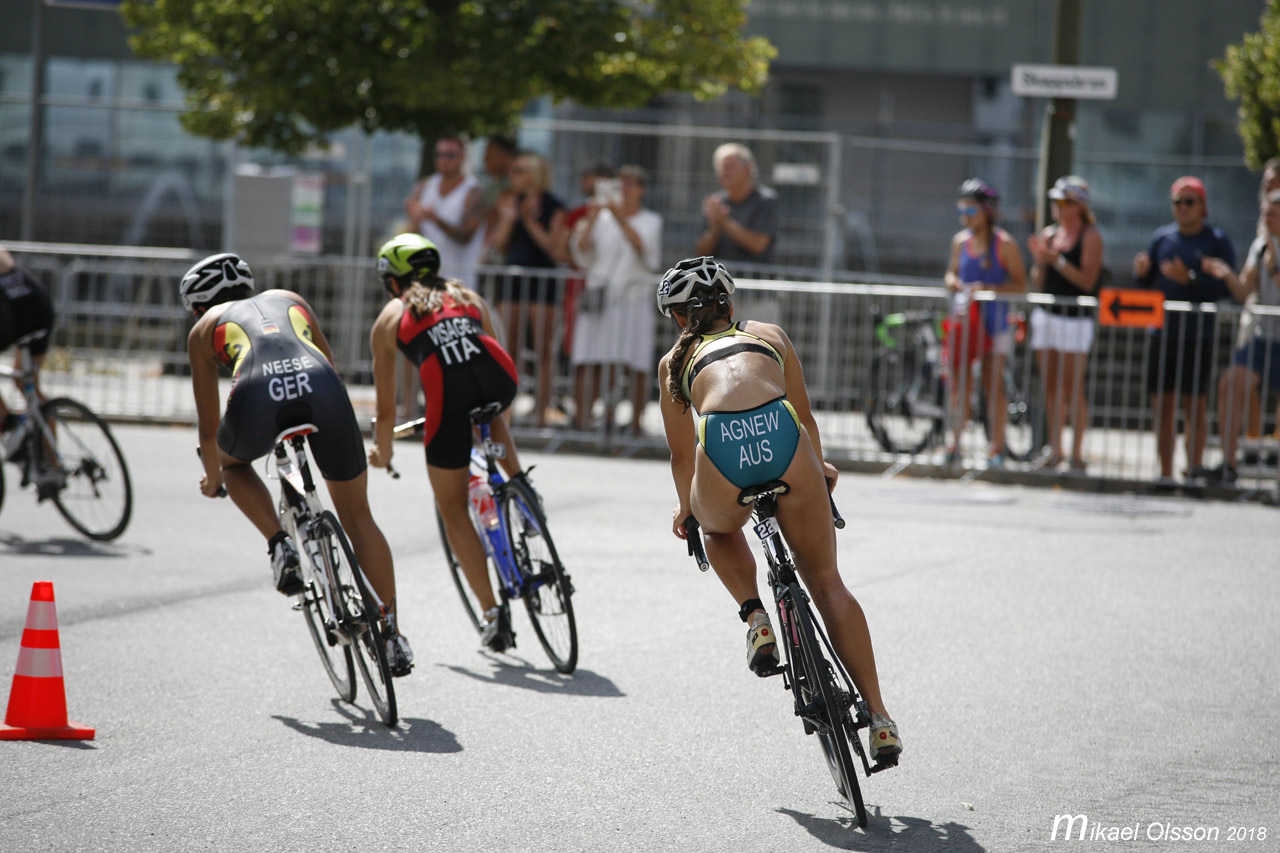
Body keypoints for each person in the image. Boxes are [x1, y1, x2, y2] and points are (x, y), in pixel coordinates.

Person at [656, 256, 901, 762]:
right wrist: (820, 469)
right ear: (730, 301)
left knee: (717, 528)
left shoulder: (673, 364)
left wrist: (687, 510)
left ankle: (756, 619)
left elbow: (683, 456)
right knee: (827, 580)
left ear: (679, 318)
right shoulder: (770, 333)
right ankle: (879, 717)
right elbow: (805, 418)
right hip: (785, 436)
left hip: (721, 447)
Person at [183, 252, 413, 675]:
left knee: (232, 465)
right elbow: (329, 365)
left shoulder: (202, 328)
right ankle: (393, 634)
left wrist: (215, 477)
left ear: (198, 305)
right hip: (321, 388)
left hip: (255, 396)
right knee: (359, 516)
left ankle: (279, 543)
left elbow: (207, 426)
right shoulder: (289, 296)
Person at [368, 234, 527, 650]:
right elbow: (488, 350)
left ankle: (493, 614)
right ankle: (524, 491)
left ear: (393, 281)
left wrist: (382, 453)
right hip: (501, 377)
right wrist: (492, 432)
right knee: (491, 411)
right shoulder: (467, 295)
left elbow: (386, 412)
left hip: (448, 397)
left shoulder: (390, 316)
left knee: (453, 508)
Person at [1132, 176, 1238, 483]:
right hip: (1162, 334)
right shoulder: (1161, 238)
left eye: (1189, 201)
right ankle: (1165, 474)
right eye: (1177, 202)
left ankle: (1193, 470)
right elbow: (1147, 285)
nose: (1182, 208)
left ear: (1202, 206)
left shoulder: (1217, 240)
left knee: (1194, 405)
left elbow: (1225, 289)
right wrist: (1141, 274)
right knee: (1163, 405)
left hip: (1198, 335)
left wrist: (1190, 279)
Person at [569, 165, 663, 434]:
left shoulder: (651, 220)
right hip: (600, 298)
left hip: (633, 300)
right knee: (591, 359)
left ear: (641, 190)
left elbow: (646, 252)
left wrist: (620, 218)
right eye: (621, 184)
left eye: (630, 184)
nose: (624, 189)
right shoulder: (600, 219)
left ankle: (634, 424)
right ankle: (585, 420)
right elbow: (581, 252)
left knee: (636, 363)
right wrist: (591, 219)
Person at [942, 179, 1027, 466]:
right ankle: (954, 445)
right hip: (967, 322)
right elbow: (950, 274)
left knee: (993, 383)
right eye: (961, 208)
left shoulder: (1004, 244)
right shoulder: (959, 241)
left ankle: (997, 448)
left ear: (987, 210)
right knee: (960, 384)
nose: (965, 215)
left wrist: (987, 291)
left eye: (971, 209)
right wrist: (955, 282)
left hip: (995, 323)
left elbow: (1020, 285)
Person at [1026, 176, 1105, 471]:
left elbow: (1087, 281)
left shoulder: (1090, 236)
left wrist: (1057, 260)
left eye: (1063, 202)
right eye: (1055, 201)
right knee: (1051, 386)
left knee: (1073, 387)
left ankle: (1076, 453)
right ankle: (1055, 450)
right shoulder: (1049, 234)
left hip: (1076, 318)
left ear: (1078, 205)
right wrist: (1041, 261)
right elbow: (1039, 281)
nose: (1056, 207)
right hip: (1047, 315)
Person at [489, 151, 568, 428]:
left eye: (521, 170)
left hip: (541, 284)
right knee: (507, 347)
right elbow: (499, 245)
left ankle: (541, 409)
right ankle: (507, 406)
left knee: (543, 348)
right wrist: (510, 218)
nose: (514, 175)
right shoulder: (509, 201)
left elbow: (554, 249)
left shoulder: (554, 206)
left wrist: (529, 221)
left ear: (535, 174)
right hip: (512, 282)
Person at [1207, 189, 1280, 482]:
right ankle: (1228, 463)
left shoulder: (1270, 251)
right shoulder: (1260, 245)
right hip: (1264, 337)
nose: (1265, 219)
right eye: (1264, 213)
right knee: (1229, 384)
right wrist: (1226, 274)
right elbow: (1244, 290)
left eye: (1272, 214)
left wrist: (1274, 263)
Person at [0, 248, 55, 454]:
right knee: (26, 383)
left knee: (24, 382)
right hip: (37, 303)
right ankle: (53, 469)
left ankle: (9, 425)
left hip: (9, 312)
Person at [695, 143, 778, 265]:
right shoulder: (715, 202)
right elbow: (701, 252)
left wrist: (724, 222)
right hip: (720, 282)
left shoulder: (765, 200)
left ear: (748, 168)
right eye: (721, 168)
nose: (725, 172)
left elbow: (758, 245)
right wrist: (714, 227)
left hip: (753, 281)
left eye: (730, 167)